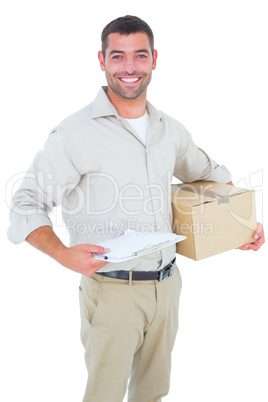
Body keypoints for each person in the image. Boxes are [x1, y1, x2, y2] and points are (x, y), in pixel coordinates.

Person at [7, 15, 264, 402]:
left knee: (152, 394)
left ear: (154, 60)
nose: (130, 67)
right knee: (104, 397)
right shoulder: (74, 134)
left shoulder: (169, 129)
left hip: (167, 284)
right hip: (112, 292)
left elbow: (208, 174)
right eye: (118, 56)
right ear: (102, 60)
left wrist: (243, 223)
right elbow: (25, 203)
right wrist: (62, 254)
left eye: (139, 56)